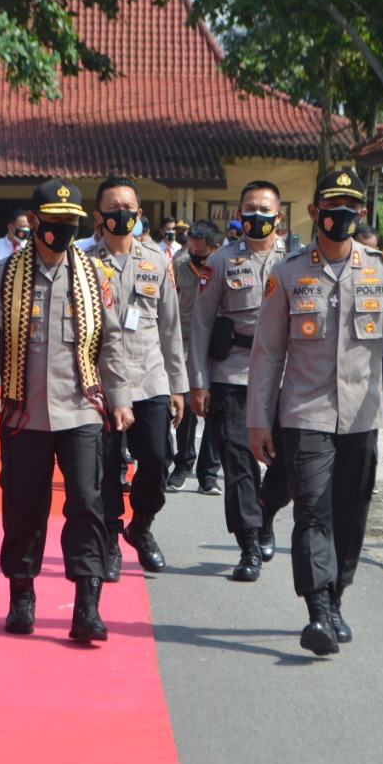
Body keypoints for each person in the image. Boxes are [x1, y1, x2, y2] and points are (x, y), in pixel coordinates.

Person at [248, 167, 383, 656]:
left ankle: (336, 598)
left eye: (351, 209)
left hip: (362, 415)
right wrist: (258, 418)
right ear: (315, 213)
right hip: (304, 413)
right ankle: (317, 610)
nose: (342, 217)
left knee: (351, 514)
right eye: (332, 208)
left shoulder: (381, 268)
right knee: (313, 510)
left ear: (361, 214)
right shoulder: (288, 273)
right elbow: (268, 353)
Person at [0, 179, 133, 641]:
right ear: (35, 221)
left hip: (81, 410)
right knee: (22, 508)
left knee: (88, 504)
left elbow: (111, 340)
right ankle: (22, 595)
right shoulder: (5, 272)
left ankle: (87, 605)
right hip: (25, 414)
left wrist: (120, 398)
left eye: (70, 223)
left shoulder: (95, 273)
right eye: (53, 222)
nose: (61, 230)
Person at [188, 180, 293, 582]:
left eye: (265, 210)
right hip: (233, 372)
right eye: (249, 209)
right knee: (238, 462)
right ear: (239, 213)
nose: (257, 216)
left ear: (278, 216)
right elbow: (200, 324)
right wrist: (198, 381)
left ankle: (266, 511)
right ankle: (249, 543)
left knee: (290, 462)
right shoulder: (220, 261)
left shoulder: (297, 260)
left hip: (285, 375)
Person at [88, 176, 188, 581]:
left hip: (151, 378)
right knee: (107, 466)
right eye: (113, 209)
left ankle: (141, 525)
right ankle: (110, 538)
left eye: (128, 208)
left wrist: (178, 385)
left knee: (158, 459)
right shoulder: (84, 263)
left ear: (140, 214)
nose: (121, 215)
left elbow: (171, 327)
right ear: (99, 217)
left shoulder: (157, 261)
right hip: (103, 382)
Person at [169, 220, 223, 496]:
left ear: (214, 248)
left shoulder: (224, 267)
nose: (194, 256)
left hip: (217, 351)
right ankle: (182, 465)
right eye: (190, 249)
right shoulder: (178, 267)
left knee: (214, 412)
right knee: (186, 411)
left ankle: (208, 475)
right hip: (186, 348)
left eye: (200, 253)